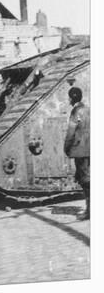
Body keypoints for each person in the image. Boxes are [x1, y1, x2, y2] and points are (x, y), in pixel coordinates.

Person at [64, 86, 90, 220]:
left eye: (69, 97)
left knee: (85, 181)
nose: (68, 99)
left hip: (80, 150)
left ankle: (89, 211)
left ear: (72, 98)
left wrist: (66, 148)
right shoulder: (88, 109)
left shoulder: (75, 112)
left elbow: (70, 133)